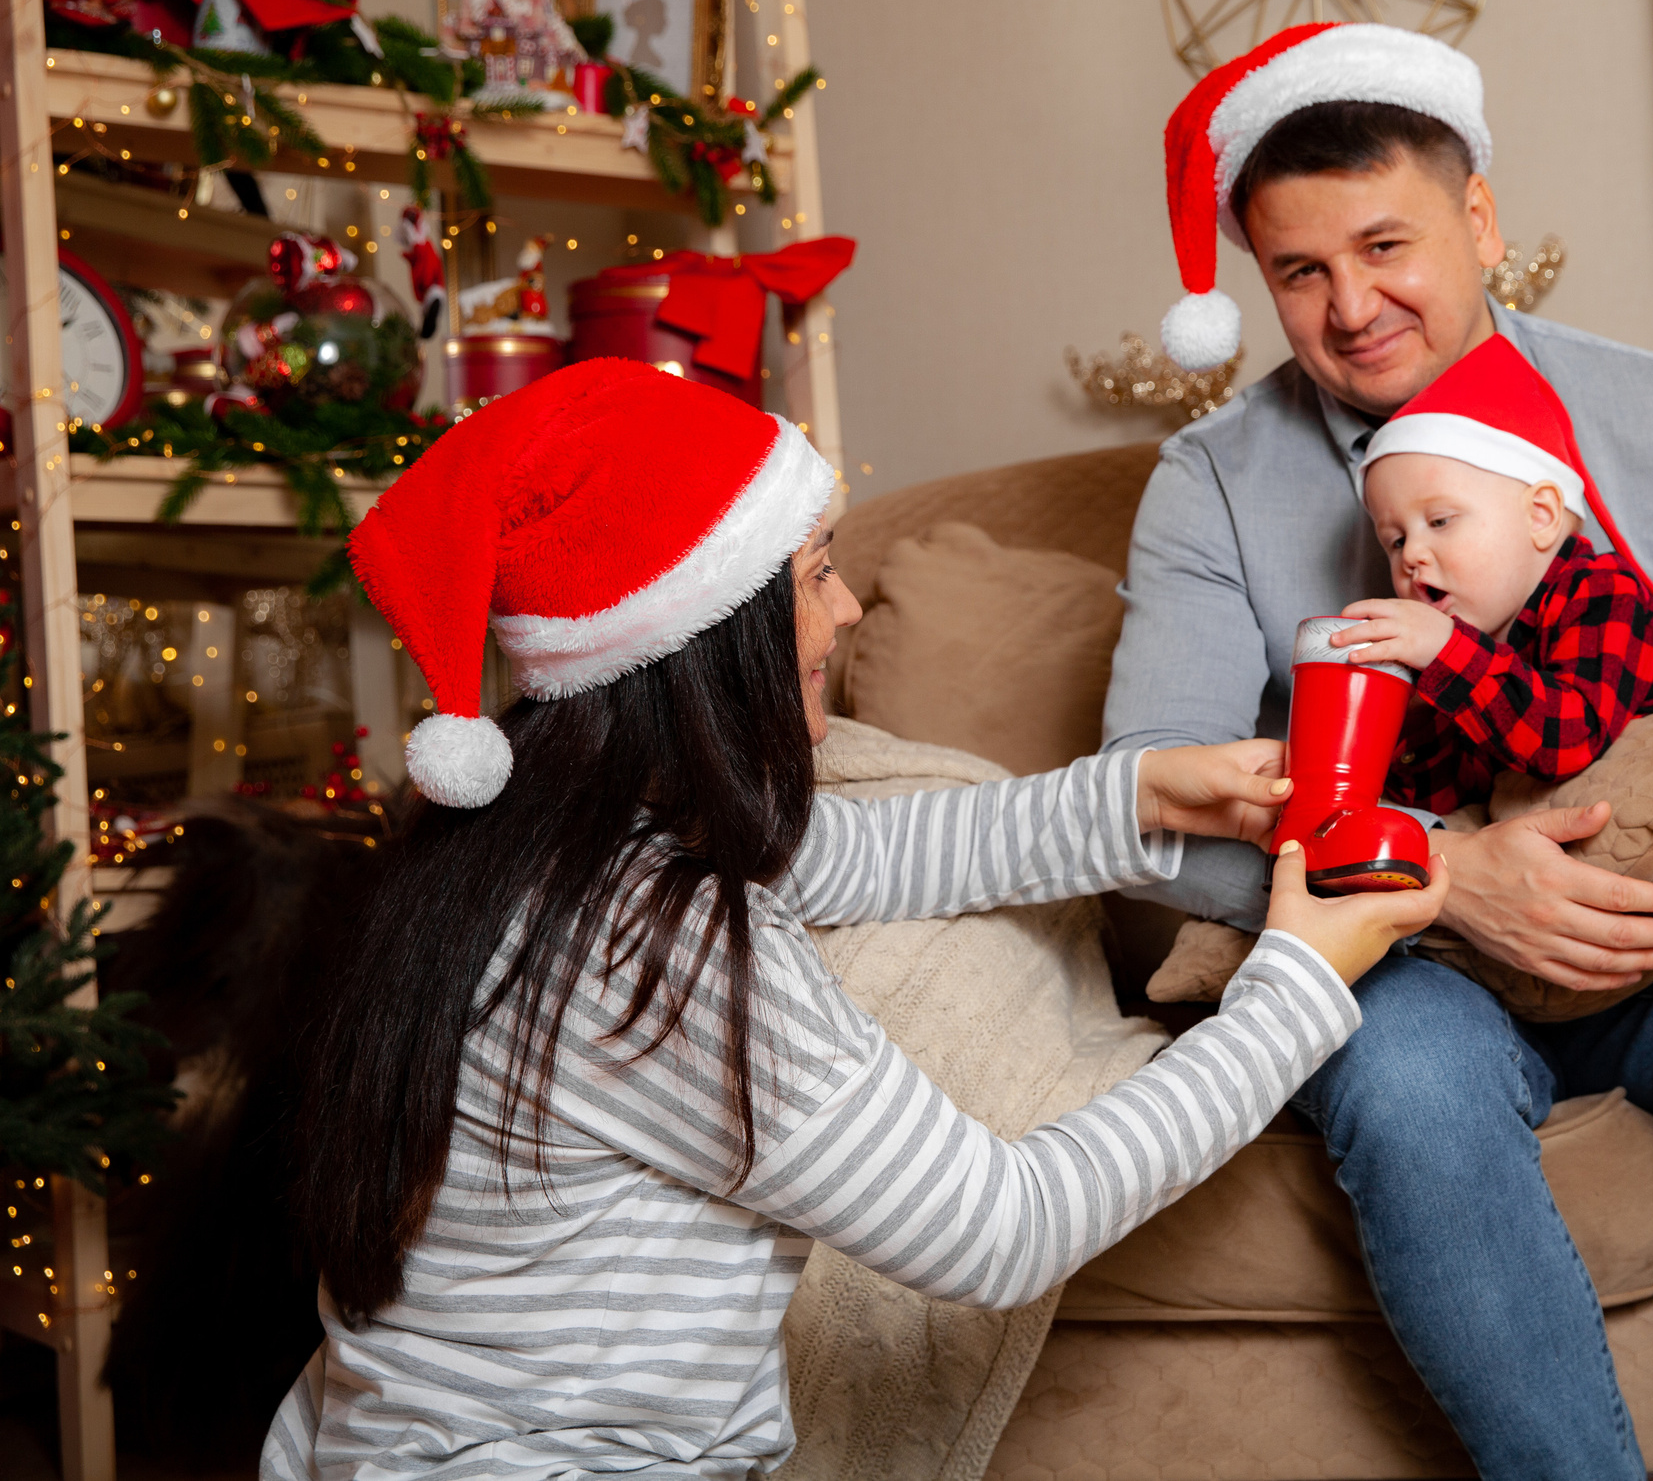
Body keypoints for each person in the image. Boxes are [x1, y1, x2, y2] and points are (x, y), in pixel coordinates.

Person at [262, 359, 1444, 1480]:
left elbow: (868, 854)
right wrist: (1297, 980)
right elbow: (1004, 1230)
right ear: (712, 632)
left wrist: (1137, 797)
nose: (851, 605)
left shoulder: (538, 843)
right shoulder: (663, 947)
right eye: (817, 571)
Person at [1106, 21, 1653, 1478]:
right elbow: (1140, 800)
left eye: (1388, 244)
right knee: (1398, 1071)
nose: (1352, 305)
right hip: (1414, 964)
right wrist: (1443, 872)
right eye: (1300, 271)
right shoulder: (1214, 485)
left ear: (1482, 216)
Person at [1330, 329, 1653, 814]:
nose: (1412, 554)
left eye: (1439, 522)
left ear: (1540, 515)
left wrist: (1446, 653)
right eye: (1394, 541)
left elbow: (1568, 738)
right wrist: (1402, 725)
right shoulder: (1471, 652)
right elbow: (1451, 798)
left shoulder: (1605, 593)